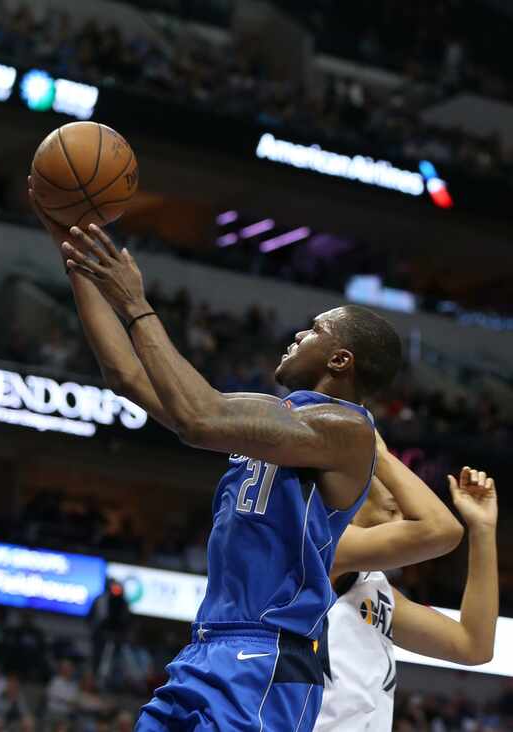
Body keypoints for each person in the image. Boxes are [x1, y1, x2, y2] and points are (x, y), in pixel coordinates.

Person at [29, 192, 402, 731]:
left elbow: (198, 417)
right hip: (206, 647)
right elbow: (129, 379)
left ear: (341, 360)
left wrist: (136, 302)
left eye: (316, 330)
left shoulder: (347, 430)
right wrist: (76, 261)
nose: (299, 334)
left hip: (268, 655)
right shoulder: (278, 418)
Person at [316, 463, 498, 730]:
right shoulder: (322, 552)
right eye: (392, 510)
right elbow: (439, 530)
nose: (404, 525)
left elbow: (474, 646)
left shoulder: (374, 588)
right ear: (349, 509)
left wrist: (482, 529)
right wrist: (375, 449)